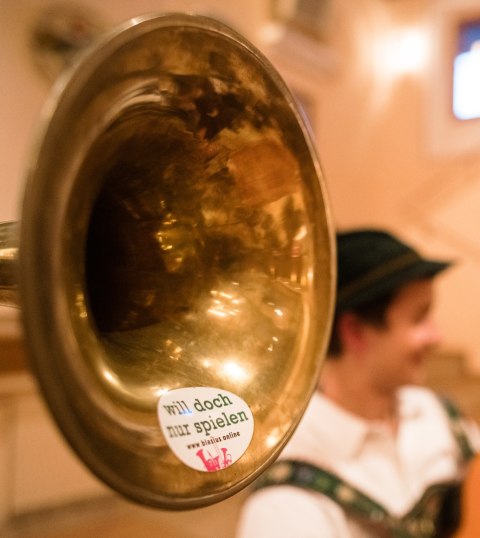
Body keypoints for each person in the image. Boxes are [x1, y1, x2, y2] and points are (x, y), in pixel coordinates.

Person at [236, 228, 480, 538]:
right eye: (419, 318)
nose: (437, 337)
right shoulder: (285, 502)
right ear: (355, 332)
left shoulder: (435, 411)